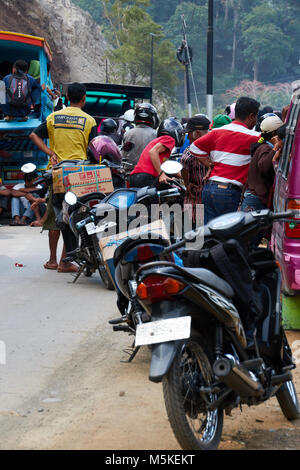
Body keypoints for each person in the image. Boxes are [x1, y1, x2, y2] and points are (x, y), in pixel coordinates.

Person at [29, 82, 97, 272]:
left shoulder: (53, 117)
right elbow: (95, 149)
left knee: (55, 214)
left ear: (67, 97)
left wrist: (50, 152)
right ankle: (65, 261)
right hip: (78, 174)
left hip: (57, 172)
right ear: (84, 99)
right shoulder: (89, 120)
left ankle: (52, 260)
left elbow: (33, 135)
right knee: (74, 214)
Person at [189, 96, 260, 224]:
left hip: (209, 189)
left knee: (210, 235)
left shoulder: (217, 131)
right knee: (226, 236)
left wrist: (209, 164)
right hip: (228, 193)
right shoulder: (254, 137)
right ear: (251, 116)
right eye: (256, 117)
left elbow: (194, 147)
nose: (255, 121)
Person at [240, 114, 285, 248]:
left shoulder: (261, 147)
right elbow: (264, 167)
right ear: (275, 133)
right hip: (255, 201)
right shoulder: (266, 148)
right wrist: (276, 147)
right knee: (248, 243)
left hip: (253, 200)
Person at [129, 117, 184, 188]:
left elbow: (168, 167)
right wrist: (161, 174)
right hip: (146, 177)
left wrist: (185, 177)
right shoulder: (169, 139)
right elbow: (153, 152)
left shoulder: (159, 142)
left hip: (135, 177)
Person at [180, 115, 211, 226]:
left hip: (196, 201)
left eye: (189, 134)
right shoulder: (216, 148)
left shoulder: (190, 151)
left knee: (192, 236)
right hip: (214, 203)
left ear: (197, 133)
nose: (188, 138)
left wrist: (187, 184)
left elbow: (184, 165)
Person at [121, 103, 158, 168]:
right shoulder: (156, 134)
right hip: (149, 172)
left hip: (129, 172)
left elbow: (124, 154)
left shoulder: (128, 134)